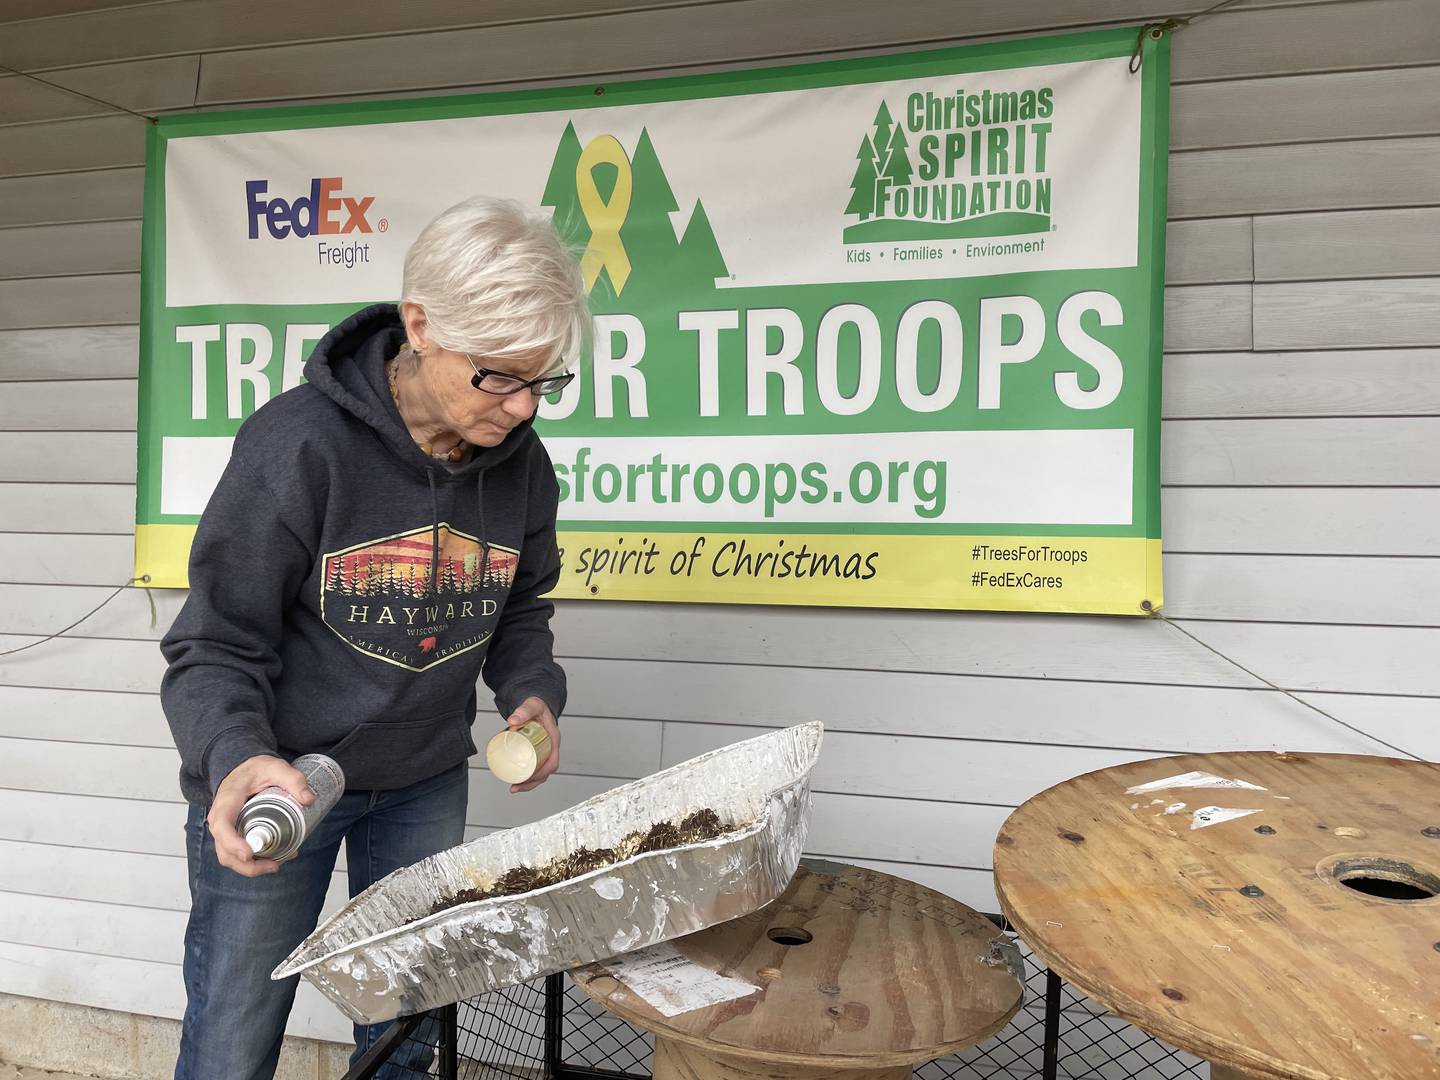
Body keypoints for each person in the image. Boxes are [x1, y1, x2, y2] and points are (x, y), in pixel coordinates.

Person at [160, 196, 588, 1080]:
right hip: (284, 781)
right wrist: (235, 756)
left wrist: (532, 693)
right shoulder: (298, 446)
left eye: (543, 382)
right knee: (234, 1034)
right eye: (498, 377)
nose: (520, 409)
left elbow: (518, 606)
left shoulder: (523, 465)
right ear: (422, 327)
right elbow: (214, 641)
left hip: (424, 778)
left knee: (408, 1033)